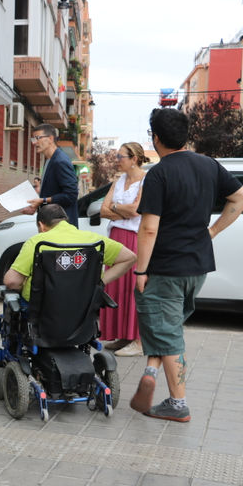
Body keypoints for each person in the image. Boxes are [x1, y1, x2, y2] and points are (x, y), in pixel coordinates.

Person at [129, 108, 243, 423]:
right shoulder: (209, 165)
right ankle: (151, 371)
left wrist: (141, 270)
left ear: (155, 138)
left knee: (166, 332)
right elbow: (241, 199)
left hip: (165, 268)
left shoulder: (159, 173)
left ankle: (178, 403)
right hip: (197, 267)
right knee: (169, 326)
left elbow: (149, 228)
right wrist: (211, 232)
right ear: (186, 135)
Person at [3, 204, 136, 302]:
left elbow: (11, 282)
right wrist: (98, 282)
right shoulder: (93, 240)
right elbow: (130, 258)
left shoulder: (37, 242)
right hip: (81, 307)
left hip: (43, 310)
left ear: (41, 225)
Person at [98, 142, 148, 357]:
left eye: (121, 156)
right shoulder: (118, 181)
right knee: (116, 287)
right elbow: (102, 210)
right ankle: (123, 336)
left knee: (132, 288)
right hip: (116, 237)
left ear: (134, 159)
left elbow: (137, 211)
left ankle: (138, 340)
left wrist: (116, 208)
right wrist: (123, 211)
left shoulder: (146, 180)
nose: (117, 160)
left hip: (134, 238)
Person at [21, 124, 79, 226]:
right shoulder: (49, 160)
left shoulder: (60, 161)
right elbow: (52, 195)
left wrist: (42, 200)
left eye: (38, 138)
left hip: (62, 227)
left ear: (51, 139)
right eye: (33, 139)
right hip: (50, 225)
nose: (35, 143)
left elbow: (71, 195)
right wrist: (37, 204)